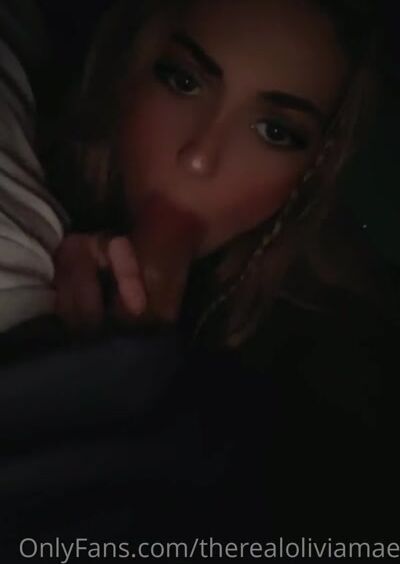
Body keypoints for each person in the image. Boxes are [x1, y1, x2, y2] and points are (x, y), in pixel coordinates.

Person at [48, 0, 388, 351]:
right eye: (184, 82)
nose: (199, 158)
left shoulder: (336, 347)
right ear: (131, 70)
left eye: (274, 132)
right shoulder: (33, 177)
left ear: (315, 167)